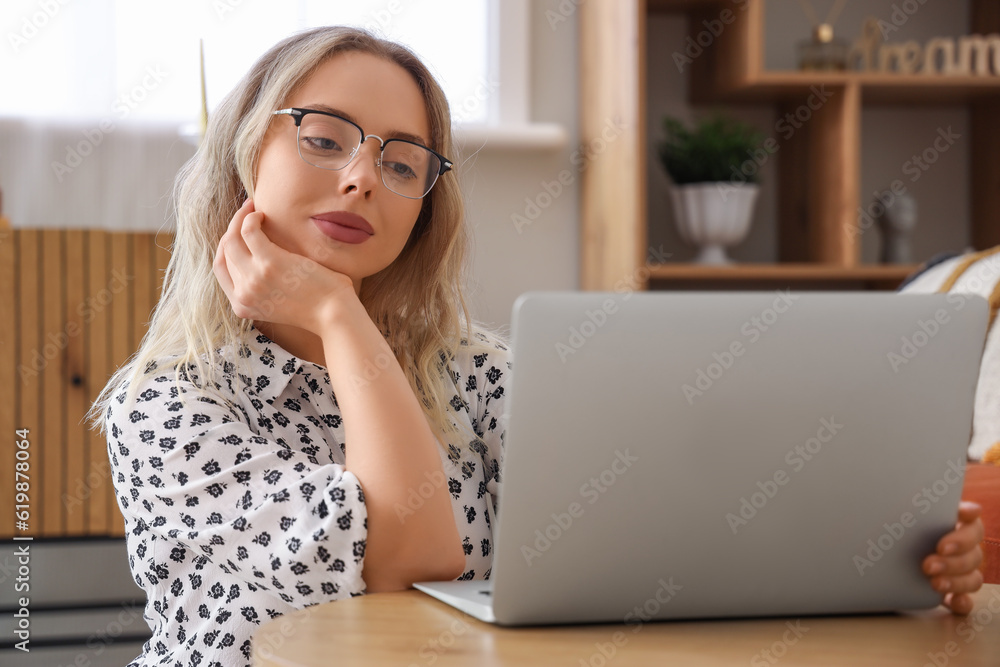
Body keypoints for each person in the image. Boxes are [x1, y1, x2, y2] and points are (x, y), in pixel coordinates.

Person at [88, 25, 985, 667]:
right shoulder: (164, 402)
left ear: (424, 208)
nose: (361, 177)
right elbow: (411, 555)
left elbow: (653, 530)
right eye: (323, 139)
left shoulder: (475, 369)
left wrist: (888, 552)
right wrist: (336, 315)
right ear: (246, 153)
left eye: (402, 164)